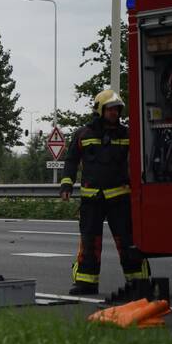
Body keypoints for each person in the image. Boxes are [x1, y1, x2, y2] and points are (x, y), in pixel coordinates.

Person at [61, 88, 150, 295]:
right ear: (100, 110)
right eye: (110, 109)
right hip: (92, 199)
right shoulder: (83, 134)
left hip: (120, 198)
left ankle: (138, 282)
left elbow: (138, 159)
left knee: (127, 241)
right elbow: (71, 160)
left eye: (117, 110)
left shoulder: (126, 134)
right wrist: (66, 185)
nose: (114, 113)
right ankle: (86, 282)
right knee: (90, 242)